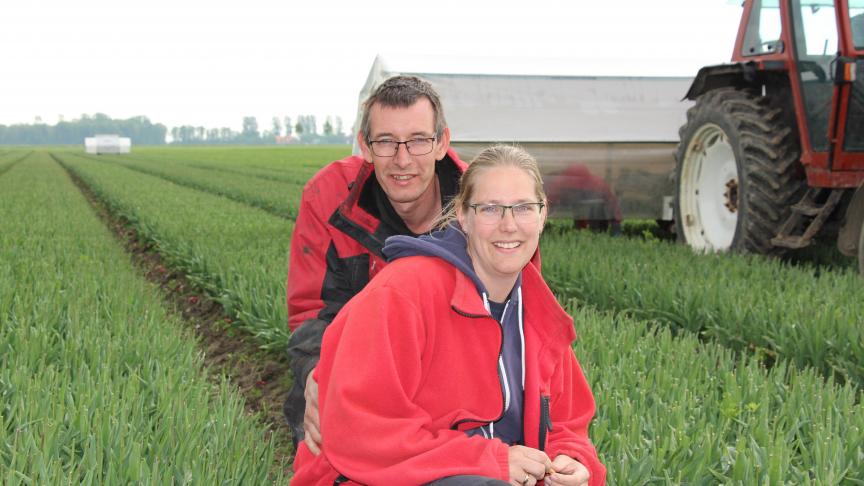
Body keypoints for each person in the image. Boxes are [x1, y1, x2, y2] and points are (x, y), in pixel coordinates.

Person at [291, 145, 605, 485]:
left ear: (543, 216)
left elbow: (568, 422)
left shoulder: (537, 314)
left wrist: (572, 460)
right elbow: (358, 429)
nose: (509, 225)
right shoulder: (402, 294)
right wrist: (492, 460)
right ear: (463, 215)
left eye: (524, 208)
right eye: (490, 209)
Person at [284, 75, 467, 454]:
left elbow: (514, 319)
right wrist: (318, 377)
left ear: (441, 143)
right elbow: (313, 313)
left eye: (418, 140)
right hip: (357, 365)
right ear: (365, 146)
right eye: (386, 142)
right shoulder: (330, 195)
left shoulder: (482, 204)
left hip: (452, 369)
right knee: (323, 429)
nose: (402, 160)